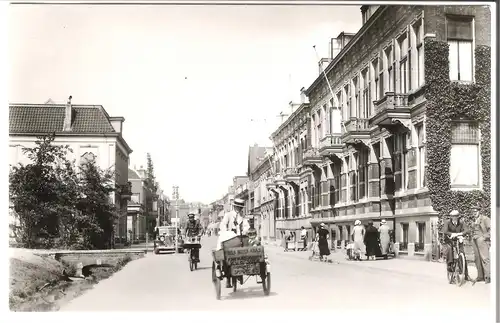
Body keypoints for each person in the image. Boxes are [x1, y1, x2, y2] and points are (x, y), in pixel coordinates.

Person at [443, 210, 470, 278]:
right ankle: (450, 265)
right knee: (449, 249)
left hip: (458, 239)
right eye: (453, 216)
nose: (454, 218)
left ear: (458, 217)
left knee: (462, 253)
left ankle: (465, 274)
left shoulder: (461, 222)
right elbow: (445, 231)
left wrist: (459, 234)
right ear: (451, 217)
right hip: (449, 239)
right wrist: (452, 234)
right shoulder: (447, 222)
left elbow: (466, 230)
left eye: (456, 216)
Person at [470, 206, 491, 284]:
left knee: (485, 258)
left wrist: (484, 237)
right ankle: (480, 276)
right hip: (475, 241)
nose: (474, 213)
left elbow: (492, 230)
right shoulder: (473, 220)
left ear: (479, 211)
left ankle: (487, 277)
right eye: (473, 212)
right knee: (477, 259)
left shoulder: (485, 219)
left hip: (482, 241)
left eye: (476, 211)